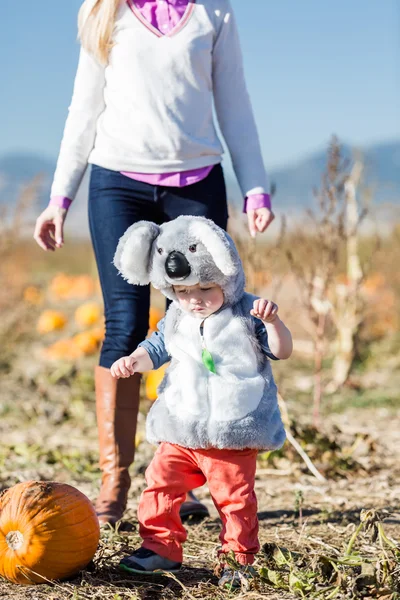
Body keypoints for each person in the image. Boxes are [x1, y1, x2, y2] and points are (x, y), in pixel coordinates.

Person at [33, 0, 276, 527]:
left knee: (198, 328)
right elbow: (84, 108)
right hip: (117, 182)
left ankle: (180, 475)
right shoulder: (103, 12)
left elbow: (235, 104)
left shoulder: (214, 13)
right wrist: (59, 199)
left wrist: (255, 187)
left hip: (197, 185)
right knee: (123, 325)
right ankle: (114, 481)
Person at [110, 216, 292, 588]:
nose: (194, 300)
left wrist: (274, 323)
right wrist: (134, 361)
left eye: (206, 287)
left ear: (226, 275)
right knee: (159, 484)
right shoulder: (176, 316)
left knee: (234, 499)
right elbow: (156, 348)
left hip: (233, 427)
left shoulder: (247, 312)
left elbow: (282, 351)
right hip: (182, 425)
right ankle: (161, 547)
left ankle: (237, 560)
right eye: (183, 291)